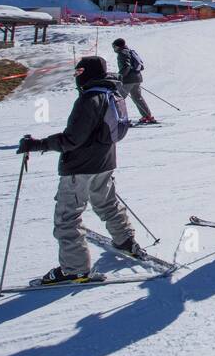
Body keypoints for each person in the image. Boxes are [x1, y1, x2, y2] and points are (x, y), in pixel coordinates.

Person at [18, 55, 145, 284]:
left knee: (68, 217)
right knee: (106, 202)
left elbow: (72, 139)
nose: (77, 77)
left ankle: (74, 269)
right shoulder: (113, 93)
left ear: (88, 73)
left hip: (80, 167)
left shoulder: (90, 99)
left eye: (79, 73)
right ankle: (125, 240)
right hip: (105, 162)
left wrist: (38, 144)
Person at [112, 38, 156, 125]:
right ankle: (147, 116)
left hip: (128, 80)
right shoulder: (130, 51)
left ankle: (121, 119)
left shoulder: (122, 53)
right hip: (137, 78)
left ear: (117, 46)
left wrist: (119, 77)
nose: (113, 49)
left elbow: (126, 67)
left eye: (113, 47)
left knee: (118, 99)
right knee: (137, 97)